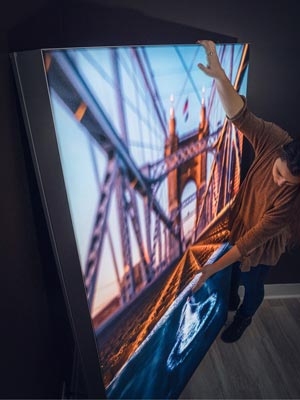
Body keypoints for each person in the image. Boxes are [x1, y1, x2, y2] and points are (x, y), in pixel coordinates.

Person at [192, 40, 300, 343]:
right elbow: (240, 116)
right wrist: (220, 76)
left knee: (253, 283)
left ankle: (244, 316)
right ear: (281, 152)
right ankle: (232, 301)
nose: (281, 183)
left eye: (290, 184)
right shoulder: (274, 138)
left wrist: (210, 269)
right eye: (280, 173)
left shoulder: (290, 202)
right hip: (241, 222)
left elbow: (252, 241)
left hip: (262, 244)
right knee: (235, 275)